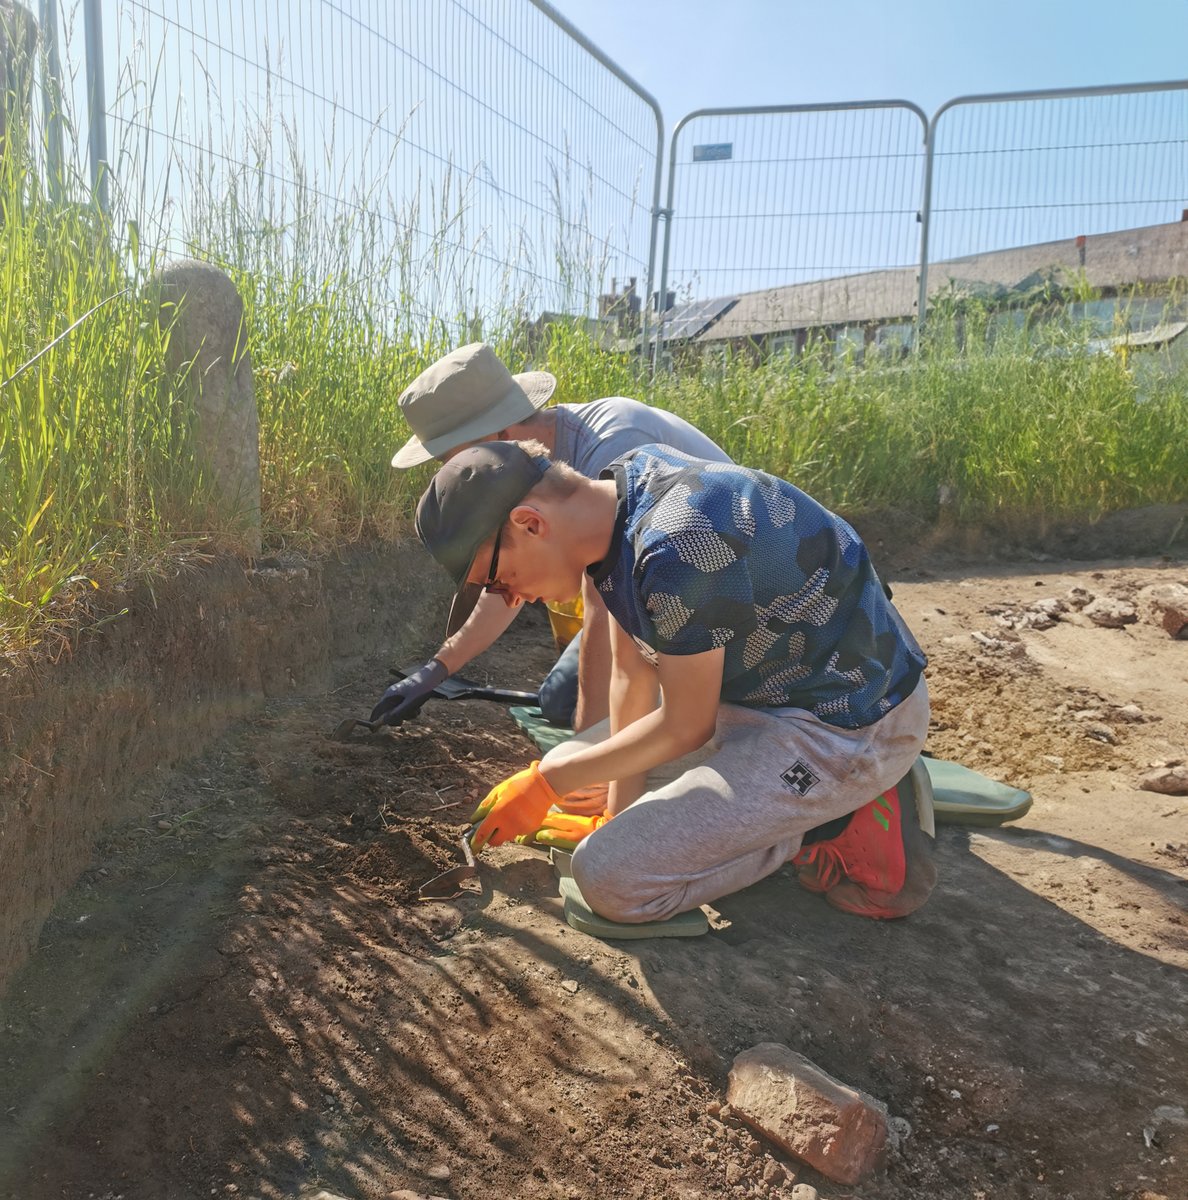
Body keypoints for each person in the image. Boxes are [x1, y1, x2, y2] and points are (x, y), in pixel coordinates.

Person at [413, 439, 937, 923]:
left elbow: (686, 724)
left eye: (499, 579)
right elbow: (630, 676)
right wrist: (609, 816)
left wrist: (550, 787)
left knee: (610, 879)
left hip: (845, 725)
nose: (513, 596)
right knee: (571, 770)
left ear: (530, 523)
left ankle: (837, 818)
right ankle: (805, 802)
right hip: (755, 701)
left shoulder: (679, 545)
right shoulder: (620, 500)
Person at [373, 341, 732, 733]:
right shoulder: (530, 477)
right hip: (650, 599)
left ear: (498, 434)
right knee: (561, 701)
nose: (455, 471)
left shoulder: (615, 446)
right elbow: (507, 579)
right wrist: (437, 669)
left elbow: (603, 609)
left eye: (453, 457)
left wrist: (584, 755)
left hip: (720, 600)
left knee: (628, 719)